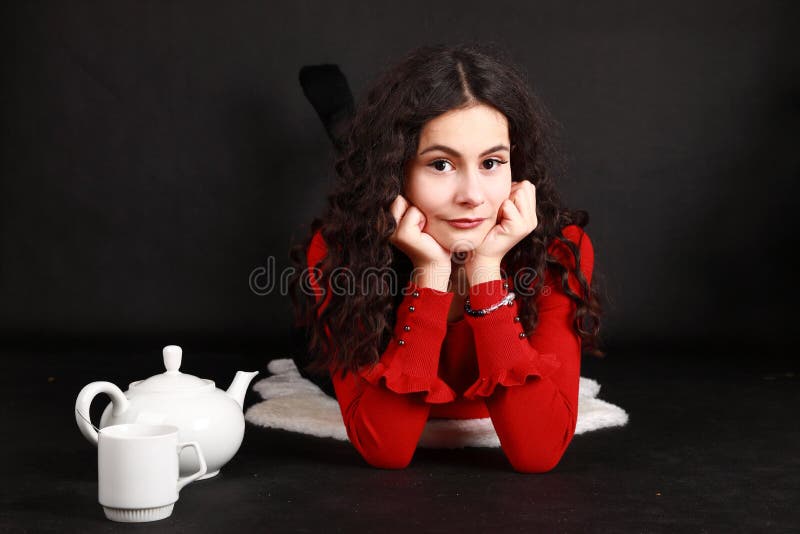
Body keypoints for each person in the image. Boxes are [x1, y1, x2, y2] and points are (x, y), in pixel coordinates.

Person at [288, 43, 603, 473]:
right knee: (361, 161)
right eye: (441, 165)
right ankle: (354, 129)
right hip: (382, 228)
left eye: (492, 162)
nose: (473, 196)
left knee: (384, 160)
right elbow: (386, 449)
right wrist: (431, 275)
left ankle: (378, 139)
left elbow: (538, 452)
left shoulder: (558, 250)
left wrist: (486, 270)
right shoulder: (341, 251)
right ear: (398, 171)